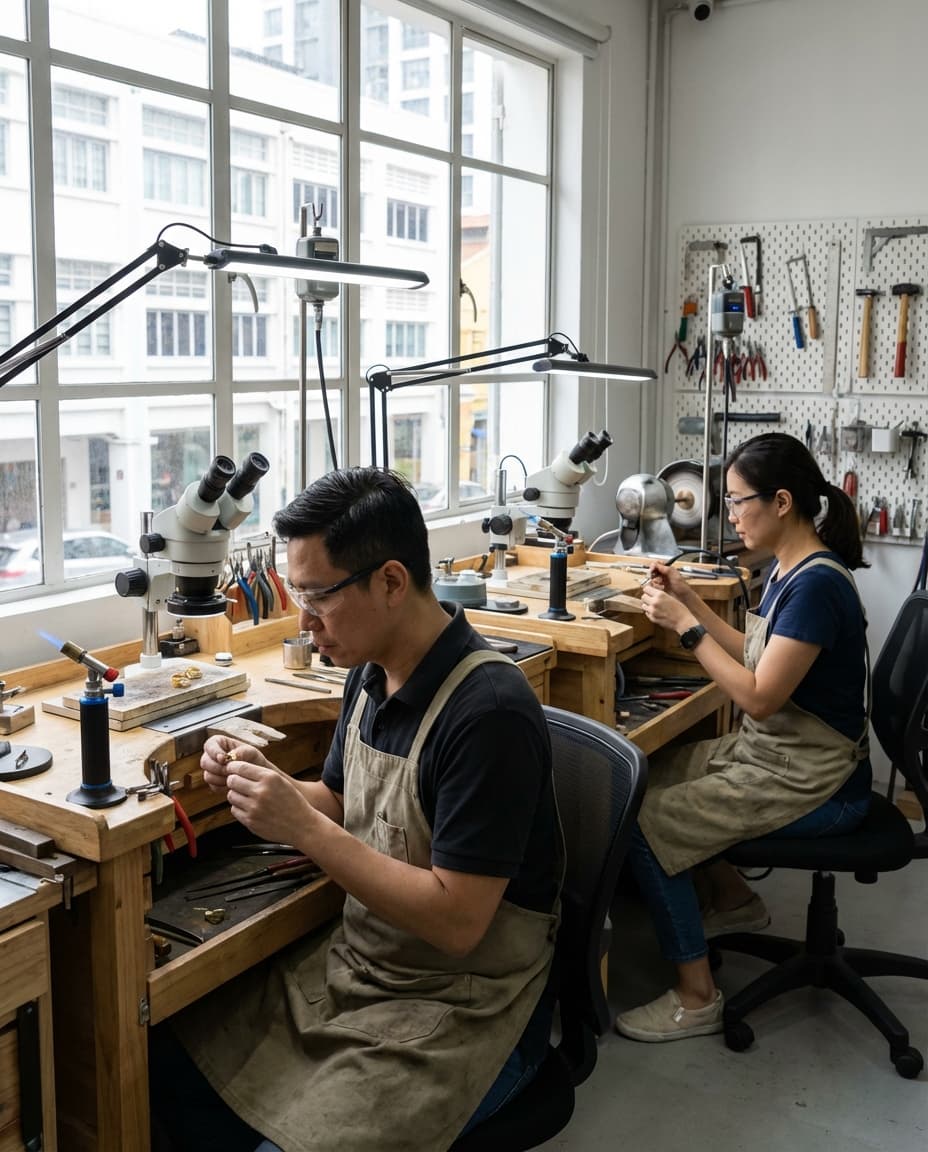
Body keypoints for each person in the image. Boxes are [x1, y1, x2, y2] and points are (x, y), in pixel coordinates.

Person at [150, 466, 563, 1152]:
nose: (304, 624)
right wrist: (262, 787)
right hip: (364, 968)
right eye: (295, 596)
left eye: (317, 598)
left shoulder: (487, 713)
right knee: (167, 1059)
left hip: (465, 1004)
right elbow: (344, 804)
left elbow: (458, 924)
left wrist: (301, 825)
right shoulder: (370, 673)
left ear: (392, 583)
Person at [615, 432, 871, 1043]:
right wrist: (688, 602)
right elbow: (757, 656)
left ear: (782, 502)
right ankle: (733, 900)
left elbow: (757, 695)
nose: (727, 514)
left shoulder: (816, 585)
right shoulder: (787, 567)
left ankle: (697, 996)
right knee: (646, 779)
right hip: (774, 753)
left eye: (736, 502)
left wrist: (684, 630)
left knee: (649, 823)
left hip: (819, 781)